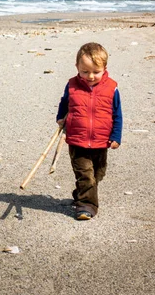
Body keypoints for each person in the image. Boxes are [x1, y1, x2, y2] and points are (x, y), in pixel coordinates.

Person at [56, 42, 123, 220]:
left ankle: (81, 193)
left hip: (101, 140)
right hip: (77, 140)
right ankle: (86, 206)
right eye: (84, 72)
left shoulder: (111, 87)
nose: (90, 76)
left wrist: (116, 135)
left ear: (104, 68)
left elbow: (117, 114)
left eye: (96, 72)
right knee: (85, 174)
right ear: (77, 67)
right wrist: (61, 118)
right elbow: (64, 103)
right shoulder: (72, 86)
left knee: (98, 174)